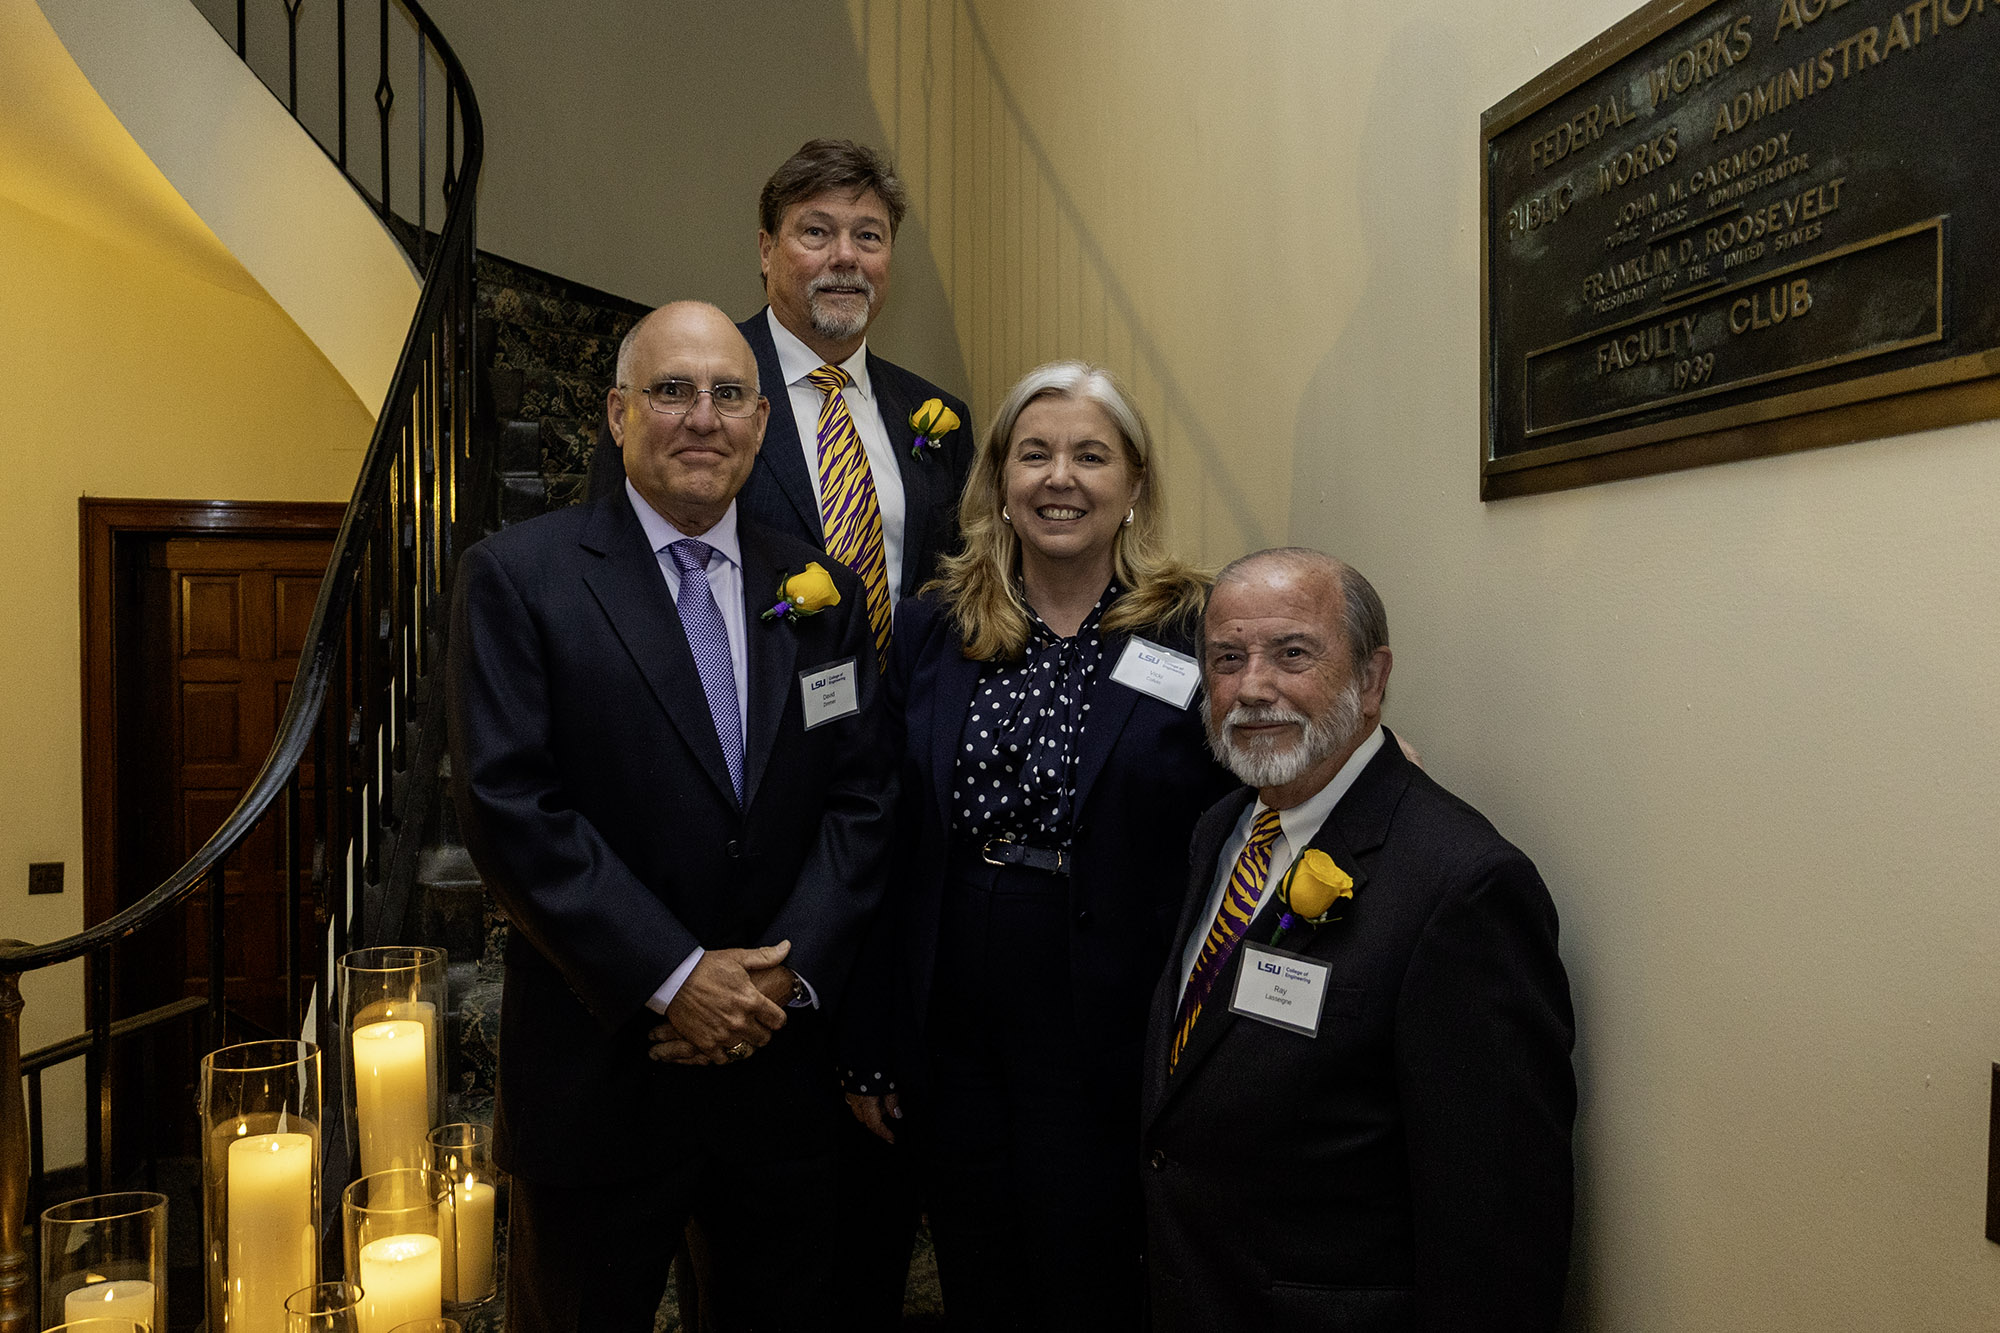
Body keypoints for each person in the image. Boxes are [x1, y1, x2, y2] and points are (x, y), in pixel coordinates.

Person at [448, 301, 896, 1332]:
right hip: (598, 1082)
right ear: (613, 413)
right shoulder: (519, 578)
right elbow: (511, 807)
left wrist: (781, 973)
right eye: (671, 390)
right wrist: (676, 976)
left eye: (729, 394)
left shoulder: (818, 589)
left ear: (760, 424)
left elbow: (862, 799)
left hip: (773, 1085)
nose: (703, 417)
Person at [845, 361, 1237, 1331]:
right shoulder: (938, 621)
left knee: (1091, 1263)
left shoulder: (1192, 622)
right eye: (1035, 454)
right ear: (999, 484)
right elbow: (884, 833)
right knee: (978, 1260)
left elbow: (1250, 777)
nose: (1060, 477)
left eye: (1090, 455)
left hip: (1107, 1002)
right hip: (953, 1006)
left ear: (1133, 484)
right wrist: (869, 1039)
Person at [1141, 548, 1576, 1333]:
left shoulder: (1462, 888)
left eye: (1293, 653)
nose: (1253, 687)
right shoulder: (1222, 831)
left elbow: (1497, 1225)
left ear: (1372, 680)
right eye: (1227, 659)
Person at [591, 139, 974, 649]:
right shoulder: (680, 391)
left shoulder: (937, 415)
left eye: (868, 236)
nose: (845, 256)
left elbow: (960, 582)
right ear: (767, 251)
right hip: (737, 713)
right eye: (817, 232)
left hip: (897, 719)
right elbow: (607, 563)